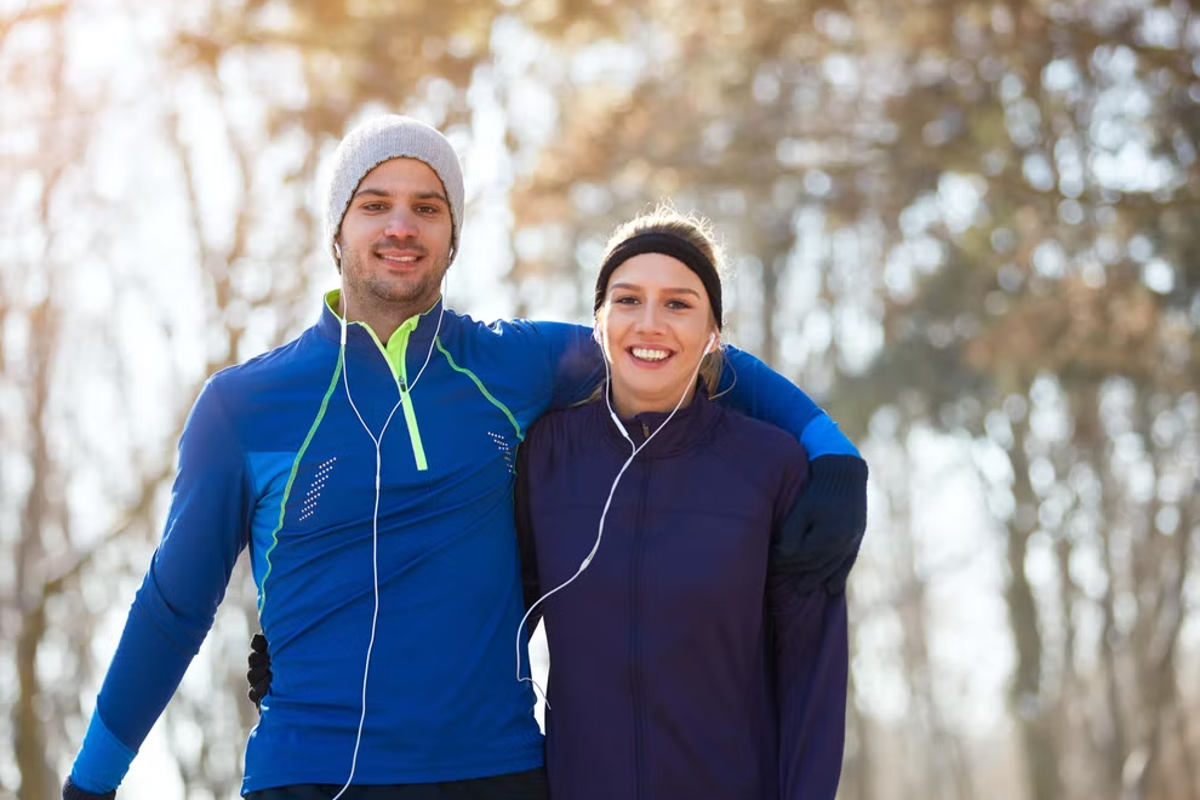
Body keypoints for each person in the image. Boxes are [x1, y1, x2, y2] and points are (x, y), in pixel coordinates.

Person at [63, 115, 866, 799]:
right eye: (374, 204)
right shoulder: (242, 407)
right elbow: (172, 607)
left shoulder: (511, 366)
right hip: (312, 770)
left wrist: (832, 455)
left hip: (500, 773)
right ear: (336, 229)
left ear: (453, 237)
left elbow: (670, 346)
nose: (401, 226)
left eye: (427, 207)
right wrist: (90, 783)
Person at [512, 206, 858, 800]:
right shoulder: (543, 458)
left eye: (678, 304)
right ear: (598, 323)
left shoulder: (771, 469)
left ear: (712, 333)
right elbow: (496, 636)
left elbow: (812, 681)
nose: (650, 324)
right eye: (627, 300)